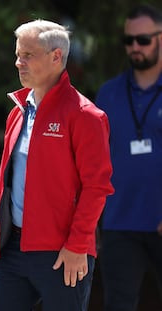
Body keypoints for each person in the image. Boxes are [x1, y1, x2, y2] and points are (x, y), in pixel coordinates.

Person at [0, 19, 114, 311]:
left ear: (56, 57)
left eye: (28, 55)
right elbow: (5, 184)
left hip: (63, 253)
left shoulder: (86, 115)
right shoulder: (18, 113)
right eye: (18, 54)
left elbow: (96, 187)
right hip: (12, 251)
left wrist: (77, 246)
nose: (18, 63)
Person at [95, 4, 162, 310]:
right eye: (129, 41)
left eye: (144, 40)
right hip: (119, 222)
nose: (135, 47)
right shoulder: (108, 93)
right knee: (118, 305)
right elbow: (95, 160)